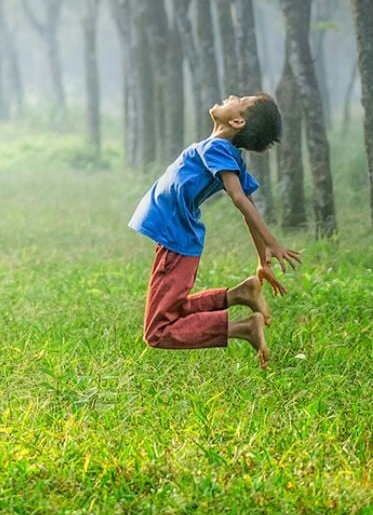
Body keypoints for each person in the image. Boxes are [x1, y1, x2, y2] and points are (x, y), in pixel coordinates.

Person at [128, 94, 301, 368]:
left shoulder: (219, 148)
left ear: (237, 121)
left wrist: (272, 243)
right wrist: (261, 258)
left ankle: (244, 329)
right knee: (172, 310)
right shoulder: (223, 151)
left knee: (158, 331)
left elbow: (241, 199)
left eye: (240, 99)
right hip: (176, 238)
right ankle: (239, 295)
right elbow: (248, 202)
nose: (232, 96)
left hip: (176, 240)